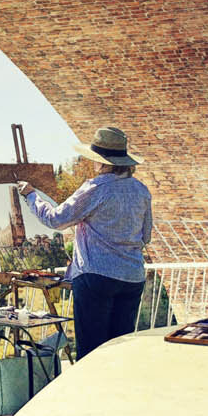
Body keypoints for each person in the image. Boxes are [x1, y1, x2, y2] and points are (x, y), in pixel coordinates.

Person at [21, 125, 153, 362]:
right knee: (119, 351)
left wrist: (31, 195)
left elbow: (55, 219)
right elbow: (146, 236)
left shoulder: (95, 188)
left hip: (96, 277)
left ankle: (91, 398)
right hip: (132, 278)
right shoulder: (141, 190)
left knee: (91, 353)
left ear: (102, 163)